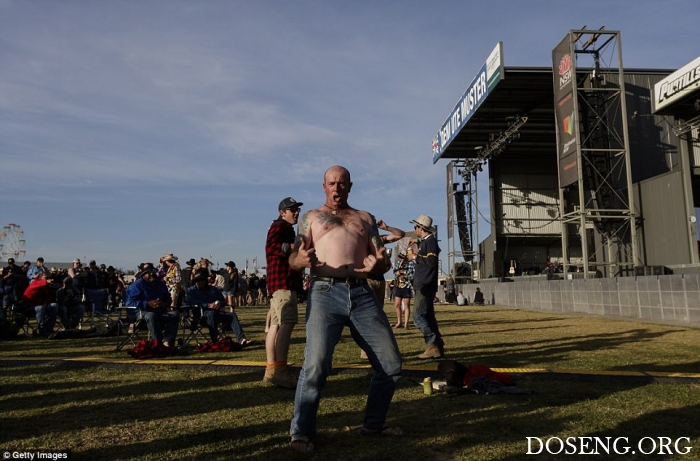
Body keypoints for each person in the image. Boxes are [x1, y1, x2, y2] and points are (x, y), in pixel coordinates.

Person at [288, 166, 403, 453]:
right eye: (331, 183)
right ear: (323, 186)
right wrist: (299, 260)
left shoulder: (365, 218)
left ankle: (374, 425)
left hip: (362, 293)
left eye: (341, 183)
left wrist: (380, 265)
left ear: (350, 186)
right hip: (325, 291)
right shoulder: (311, 217)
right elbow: (294, 256)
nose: (336, 188)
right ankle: (301, 432)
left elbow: (380, 258)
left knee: (391, 364)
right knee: (315, 365)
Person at [263, 196, 304, 388]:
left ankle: (271, 369)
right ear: (282, 212)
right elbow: (271, 247)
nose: (296, 212)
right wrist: (293, 247)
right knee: (286, 323)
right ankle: (280, 370)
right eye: (292, 209)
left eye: (297, 210)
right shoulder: (279, 227)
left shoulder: (284, 228)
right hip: (283, 283)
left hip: (279, 283)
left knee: (276, 325)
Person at [407, 214, 445, 359]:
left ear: (420, 228)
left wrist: (415, 257)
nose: (414, 229)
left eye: (415, 227)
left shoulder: (430, 243)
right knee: (428, 317)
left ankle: (432, 344)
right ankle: (438, 347)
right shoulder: (427, 242)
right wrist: (416, 242)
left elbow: (431, 261)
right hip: (426, 283)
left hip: (424, 283)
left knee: (417, 316)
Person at [185, 273, 254, 345]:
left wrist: (220, 304)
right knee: (211, 313)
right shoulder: (191, 291)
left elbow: (223, 301)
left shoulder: (213, 289)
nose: (201, 282)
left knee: (232, 315)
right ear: (195, 282)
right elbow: (190, 302)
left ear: (206, 281)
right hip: (202, 316)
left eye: (203, 280)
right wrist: (208, 305)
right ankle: (214, 340)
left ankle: (242, 339)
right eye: (198, 281)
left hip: (217, 313)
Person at [124, 262, 179, 347]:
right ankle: (158, 343)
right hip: (141, 313)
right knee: (151, 315)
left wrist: (163, 303)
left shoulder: (160, 284)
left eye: (153, 271)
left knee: (174, 315)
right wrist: (147, 303)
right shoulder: (136, 286)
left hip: (159, 311)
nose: (152, 274)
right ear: (143, 275)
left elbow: (168, 299)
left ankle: (168, 341)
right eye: (148, 273)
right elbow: (129, 303)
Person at [21, 272, 58, 336]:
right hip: (28, 307)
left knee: (54, 306)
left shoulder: (45, 288)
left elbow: (47, 299)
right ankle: (42, 330)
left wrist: (45, 303)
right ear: (40, 277)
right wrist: (46, 281)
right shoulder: (35, 283)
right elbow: (40, 283)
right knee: (39, 308)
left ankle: (49, 329)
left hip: (40, 307)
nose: (48, 278)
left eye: (49, 277)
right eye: (46, 277)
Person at [392, 252, 414, 329]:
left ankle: (406, 324)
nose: (402, 259)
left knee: (406, 305)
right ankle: (399, 322)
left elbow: (413, 274)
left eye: (403, 257)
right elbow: (394, 271)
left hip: (407, 286)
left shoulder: (411, 264)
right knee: (397, 304)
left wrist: (405, 276)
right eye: (401, 257)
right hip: (399, 286)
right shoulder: (398, 263)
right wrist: (397, 273)